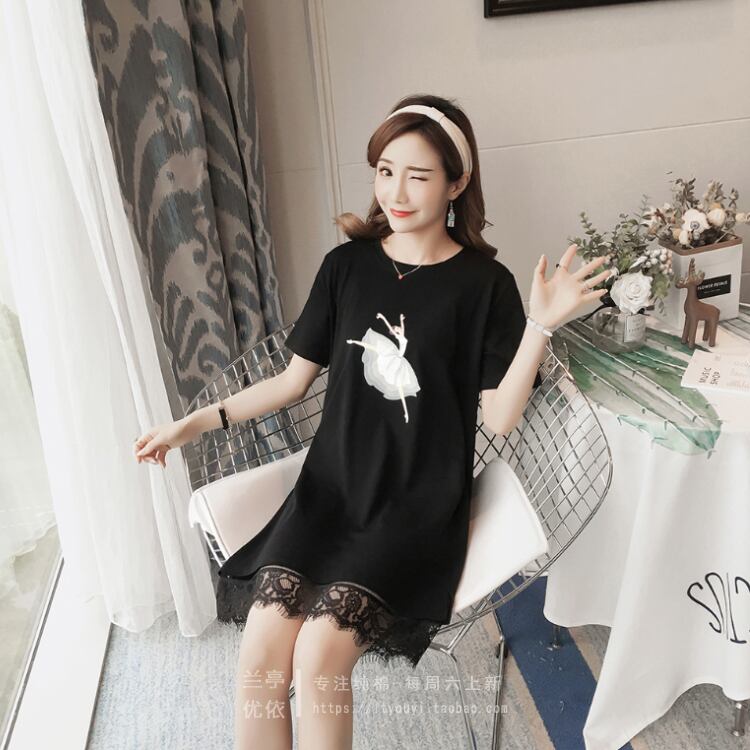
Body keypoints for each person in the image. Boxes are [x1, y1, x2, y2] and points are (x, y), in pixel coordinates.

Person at [133, 93, 611, 750]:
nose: (397, 192)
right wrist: (191, 424)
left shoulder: (485, 285)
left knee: (319, 658)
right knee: (260, 656)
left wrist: (539, 327)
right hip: (329, 492)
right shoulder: (347, 267)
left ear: (457, 183)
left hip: (416, 506)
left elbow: (500, 416)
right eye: (386, 171)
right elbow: (291, 383)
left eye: (418, 175)